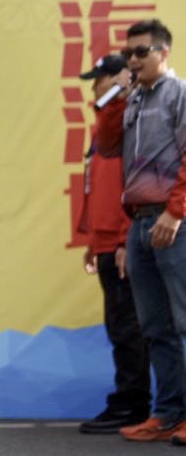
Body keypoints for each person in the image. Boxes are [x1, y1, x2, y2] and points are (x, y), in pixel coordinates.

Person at [115, 19, 186, 444]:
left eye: (141, 52)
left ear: (164, 52)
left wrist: (175, 212)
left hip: (174, 222)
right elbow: (110, 149)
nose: (133, 60)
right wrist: (114, 100)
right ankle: (169, 413)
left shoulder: (180, 94)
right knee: (155, 326)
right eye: (128, 54)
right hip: (140, 222)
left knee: (184, 320)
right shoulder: (132, 101)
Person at [74, 52, 150, 433]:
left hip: (122, 242)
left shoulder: (129, 118)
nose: (95, 87)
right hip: (105, 242)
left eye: (101, 79)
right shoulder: (105, 123)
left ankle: (133, 405)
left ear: (121, 78)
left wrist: (124, 240)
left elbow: (136, 184)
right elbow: (97, 188)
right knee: (119, 326)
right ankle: (129, 400)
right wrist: (93, 240)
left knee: (128, 327)